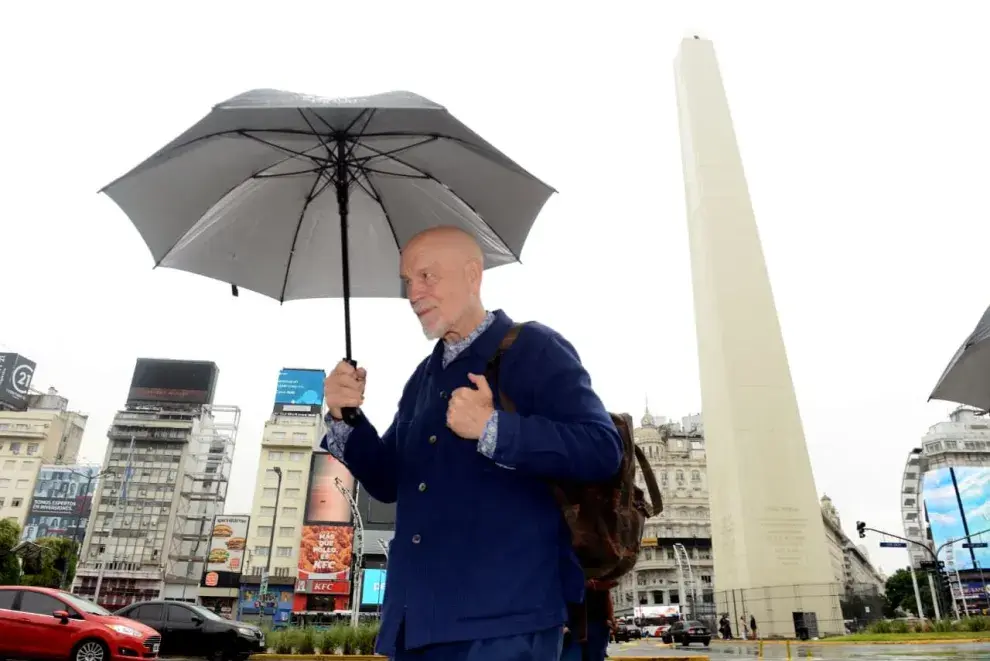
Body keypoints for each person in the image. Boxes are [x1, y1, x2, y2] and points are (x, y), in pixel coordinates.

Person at [320, 226, 623, 661]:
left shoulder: (534, 348)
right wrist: (344, 414)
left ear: (472, 274)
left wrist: (492, 428)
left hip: (504, 623)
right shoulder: (421, 379)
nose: (413, 293)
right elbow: (387, 481)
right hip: (414, 622)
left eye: (427, 276)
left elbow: (601, 449)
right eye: (408, 281)